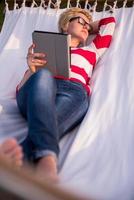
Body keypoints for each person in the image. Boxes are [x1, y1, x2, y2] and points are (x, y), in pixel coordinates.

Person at [16, 8, 116, 181]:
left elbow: (109, 22)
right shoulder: (44, 51)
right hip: (39, 90)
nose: (86, 26)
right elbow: (20, 90)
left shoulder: (92, 50)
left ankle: (19, 158)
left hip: (73, 91)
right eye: (80, 22)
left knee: (52, 120)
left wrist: (86, 24)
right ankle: (47, 159)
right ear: (65, 25)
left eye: (88, 24)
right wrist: (32, 69)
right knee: (44, 75)